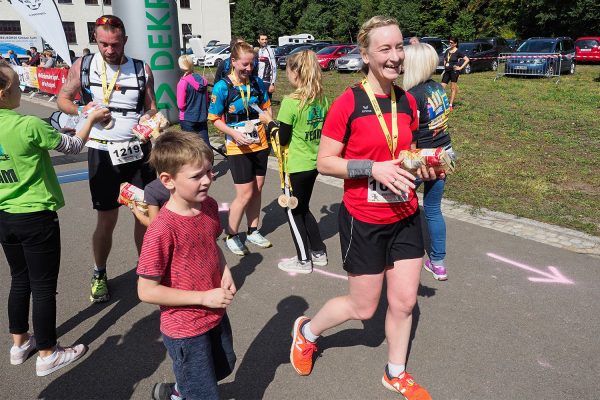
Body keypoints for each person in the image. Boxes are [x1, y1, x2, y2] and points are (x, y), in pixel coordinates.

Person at [289, 16, 439, 400]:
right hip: (364, 218)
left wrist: (425, 164)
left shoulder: (406, 101)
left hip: (405, 214)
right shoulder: (348, 103)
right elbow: (325, 162)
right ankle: (307, 332)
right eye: (384, 48)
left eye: (399, 46)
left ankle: (395, 372)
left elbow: (406, 153)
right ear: (365, 54)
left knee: (404, 301)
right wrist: (372, 168)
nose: (394, 56)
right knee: (363, 306)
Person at [0, 61, 110, 376]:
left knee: (19, 279)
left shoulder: (31, 128)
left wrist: (56, 132)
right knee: (44, 286)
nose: (22, 89)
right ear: (5, 92)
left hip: (4, 216)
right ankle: (48, 351)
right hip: (35, 215)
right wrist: (90, 118)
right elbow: (75, 145)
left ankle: (19, 343)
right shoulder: (28, 125)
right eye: (18, 85)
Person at [57, 14, 157, 303]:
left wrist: (151, 119)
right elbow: (63, 98)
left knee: (144, 214)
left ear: (125, 40)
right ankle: (99, 271)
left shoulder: (141, 68)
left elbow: (151, 105)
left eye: (115, 44)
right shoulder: (84, 65)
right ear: (96, 41)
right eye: (103, 44)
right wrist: (81, 111)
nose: (110, 50)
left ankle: (147, 269)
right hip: (102, 152)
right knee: (107, 218)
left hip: (137, 152)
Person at [137, 131, 236, 400]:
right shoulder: (161, 230)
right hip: (185, 328)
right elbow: (146, 291)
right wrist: (204, 297)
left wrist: (224, 270)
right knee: (204, 392)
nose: (207, 181)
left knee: (223, 366)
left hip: (214, 313)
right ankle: (187, 391)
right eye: (196, 176)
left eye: (210, 171)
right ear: (167, 180)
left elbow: (210, 244)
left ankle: (181, 390)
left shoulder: (209, 206)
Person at [260, 50, 329, 274]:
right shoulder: (322, 99)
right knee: (304, 207)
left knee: (291, 210)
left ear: (296, 73)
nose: (286, 75)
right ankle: (318, 252)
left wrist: (269, 122)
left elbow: (283, 139)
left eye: (287, 70)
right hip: (313, 162)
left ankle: (303, 260)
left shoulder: (291, 102)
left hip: (296, 165)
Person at [208, 41, 273, 256]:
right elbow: (214, 118)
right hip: (237, 145)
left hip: (260, 142)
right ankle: (232, 235)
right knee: (244, 193)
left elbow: (266, 106)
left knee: (258, 188)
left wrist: (269, 122)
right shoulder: (222, 86)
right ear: (233, 62)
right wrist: (234, 133)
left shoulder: (256, 82)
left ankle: (253, 230)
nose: (248, 69)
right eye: (244, 64)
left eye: (251, 64)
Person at [404, 43, 455, 281]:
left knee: (398, 203)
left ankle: (396, 252)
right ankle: (438, 262)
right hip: (444, 151)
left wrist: (407, 165)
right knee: (433, 210)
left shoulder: (412, 96)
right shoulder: (438, 88)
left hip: (422, 158)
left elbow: (411, 139)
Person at [177, 55, 210, 145]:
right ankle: (209, 158)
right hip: (202, 116)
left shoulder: (183, 82)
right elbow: (206, 100)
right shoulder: (203, 80)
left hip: (187, 118)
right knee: (205, 144)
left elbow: (181, 105)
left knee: (191, 146)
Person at [441, 36, 469, 109]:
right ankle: (442, 103)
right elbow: (445, 59)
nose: (450, 44)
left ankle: (450, 105)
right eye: (449, 42)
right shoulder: (447, 51)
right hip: (447, 71)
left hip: (454, 72)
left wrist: (460, 68)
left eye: (451, 43)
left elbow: (467, 59)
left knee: (453, 88)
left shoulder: (458, 51)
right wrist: (445, 66)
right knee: (441, 87)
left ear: (455, 44)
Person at [256, 33, 277, 99]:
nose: (264, 41)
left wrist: (272, 83)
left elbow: (274, 67)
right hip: (259, 79)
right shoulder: (259, 51)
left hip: (267, 80)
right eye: (262, 39)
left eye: (266, 39)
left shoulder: (269, 51)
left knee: (266, 102)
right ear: (258, 40)